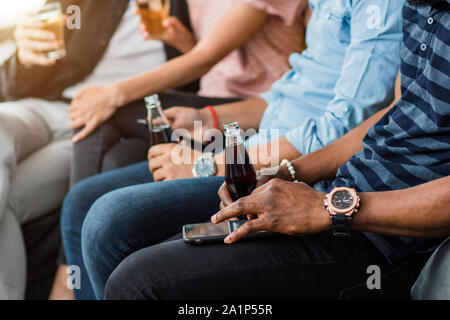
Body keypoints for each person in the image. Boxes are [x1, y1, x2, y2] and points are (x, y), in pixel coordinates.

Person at [99, 0, 450, 299]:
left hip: (386, 237)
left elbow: (344, 118)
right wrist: (293, 171)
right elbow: (394, 112)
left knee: (137, 280)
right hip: (342, 185)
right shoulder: (420, 6)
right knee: (135, 250)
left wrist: (329, 208)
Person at [0, 0, 195, 300]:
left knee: (13, 198)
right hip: (52, 106)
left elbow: (204, 69)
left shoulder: (181, 7)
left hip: (111, 120)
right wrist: (23, 58)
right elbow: (13, 86)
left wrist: (186, 45)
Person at [69, 0, 309, 185]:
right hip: (208, 102)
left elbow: (206, 58)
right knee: (119, 159)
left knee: (110, 109)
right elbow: (218, 60)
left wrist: (111, 94)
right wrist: (185, 43)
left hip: (257, 110)